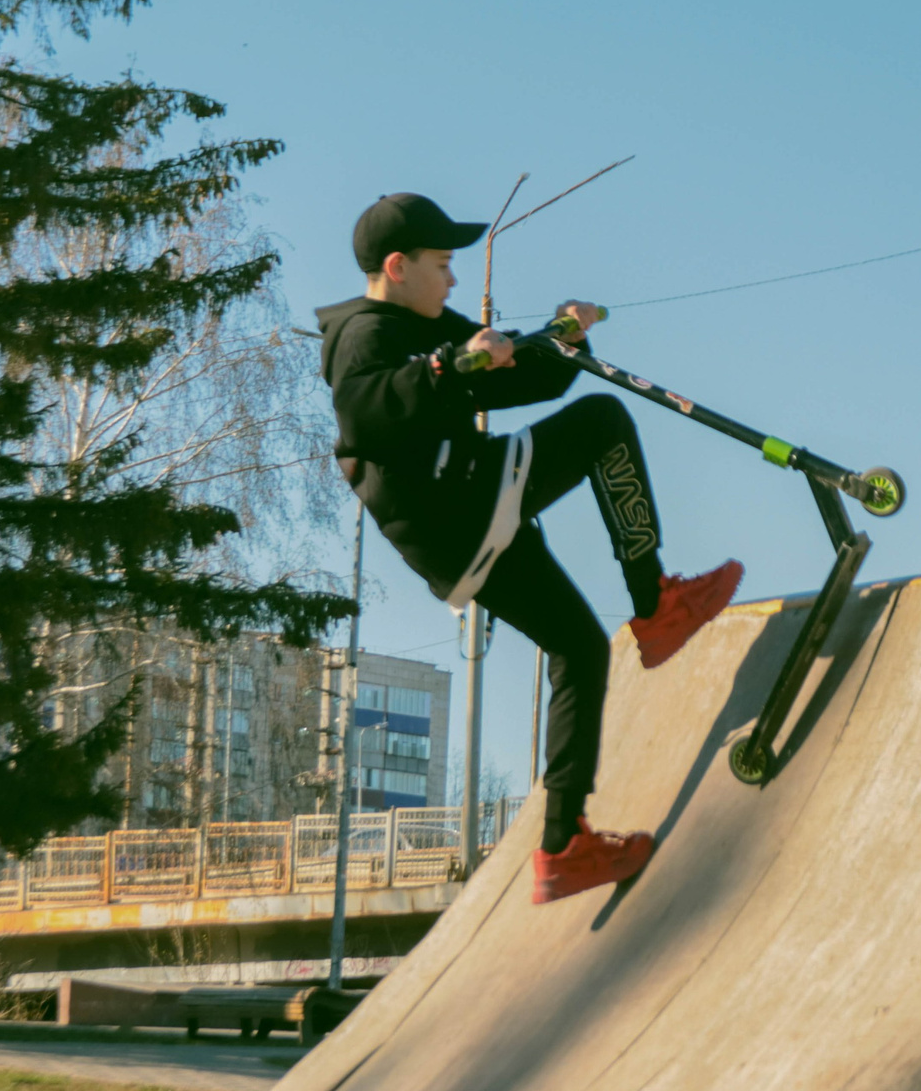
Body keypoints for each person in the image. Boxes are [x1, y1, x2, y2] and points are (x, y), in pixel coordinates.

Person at [317, 193, 743, 904]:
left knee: (578, 643)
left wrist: (564, 334)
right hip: (456, 503)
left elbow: (531, 374)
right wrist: (452, 366)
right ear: (398, 266)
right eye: (443, 264)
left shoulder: (428, 325)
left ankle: (560, 847)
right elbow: (363, 412)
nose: (453, 280)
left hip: (464, 532)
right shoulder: (365, 334)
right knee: (604, 420)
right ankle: (655, 605)